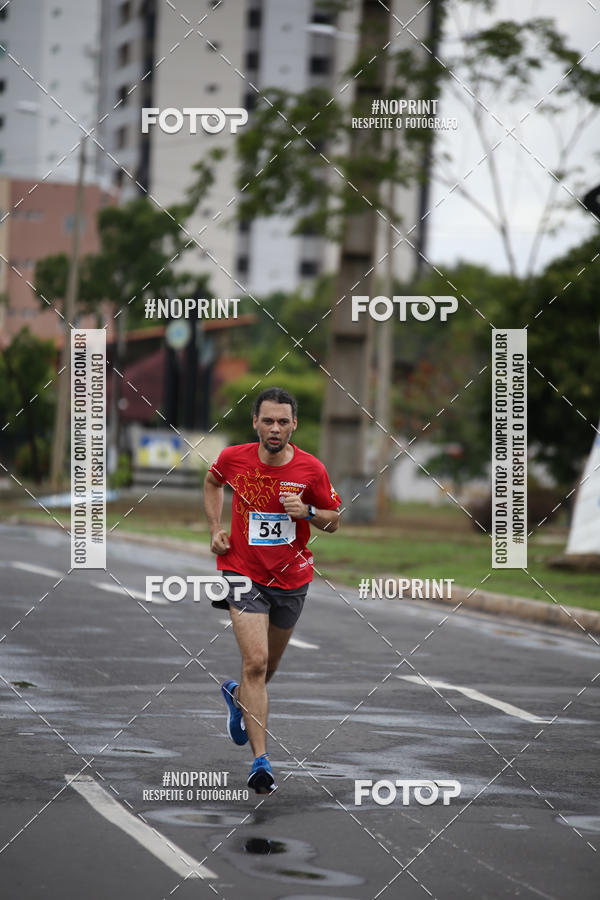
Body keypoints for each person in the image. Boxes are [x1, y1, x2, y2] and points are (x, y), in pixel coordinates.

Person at [203, 387, 341, 793]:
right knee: (256, 663)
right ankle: (261, 762)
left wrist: (308, 512)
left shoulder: (311, 469)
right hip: (242, 572)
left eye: (283, 421)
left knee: (266, 671)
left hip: (292, 579)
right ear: (255, 423)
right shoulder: (233, 458)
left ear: (294, 424)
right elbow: (212, 482)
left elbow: (335, 519)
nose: (275, 428)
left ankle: (238, 698)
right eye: (268, 421)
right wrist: (215, 528)